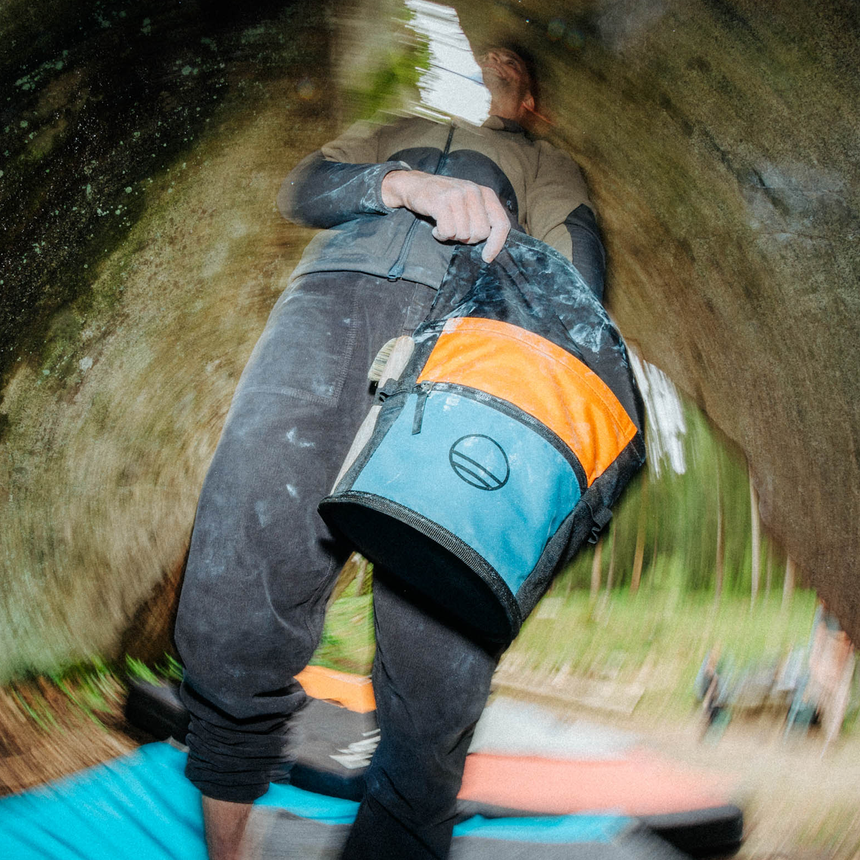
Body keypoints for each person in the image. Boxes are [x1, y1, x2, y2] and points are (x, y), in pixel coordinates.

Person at [174, 46, 606, 860]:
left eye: (517, 70)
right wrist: (400, 183)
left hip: (468, 344)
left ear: (536, 104)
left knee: (439, 639)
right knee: (240, 576)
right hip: (325, 312)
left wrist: (518, 291)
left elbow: (581, 274)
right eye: (490, 63)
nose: (498, 68)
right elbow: (303, 188)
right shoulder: (399, 126)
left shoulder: (546, 162)